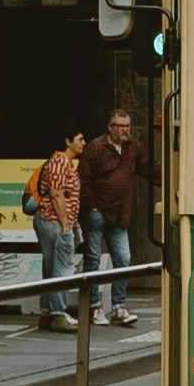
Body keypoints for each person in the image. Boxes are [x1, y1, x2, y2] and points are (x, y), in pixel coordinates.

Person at [79, 109, 146, 327]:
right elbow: (84, 180)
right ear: (110, 127)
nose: (125, 130)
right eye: (121, 126)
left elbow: (150, 168)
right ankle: (94, 307)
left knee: (123, 260)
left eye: (128, 125)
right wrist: (92, 206)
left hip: (120, 214)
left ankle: (118, 307)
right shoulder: (96, 147)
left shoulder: (133, 147)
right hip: (97, 214)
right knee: (93, 260)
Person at [27, 130, 85, 329]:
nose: (83, 143)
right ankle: (58, 314)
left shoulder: (61, 163)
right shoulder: (60, 163)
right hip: (54, 221)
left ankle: (47, 313)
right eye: (79, 139)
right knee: (62, 268)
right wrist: (66, 224)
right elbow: (56, 194)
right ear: (67, 141)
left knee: (51, 268)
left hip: (50, 221)